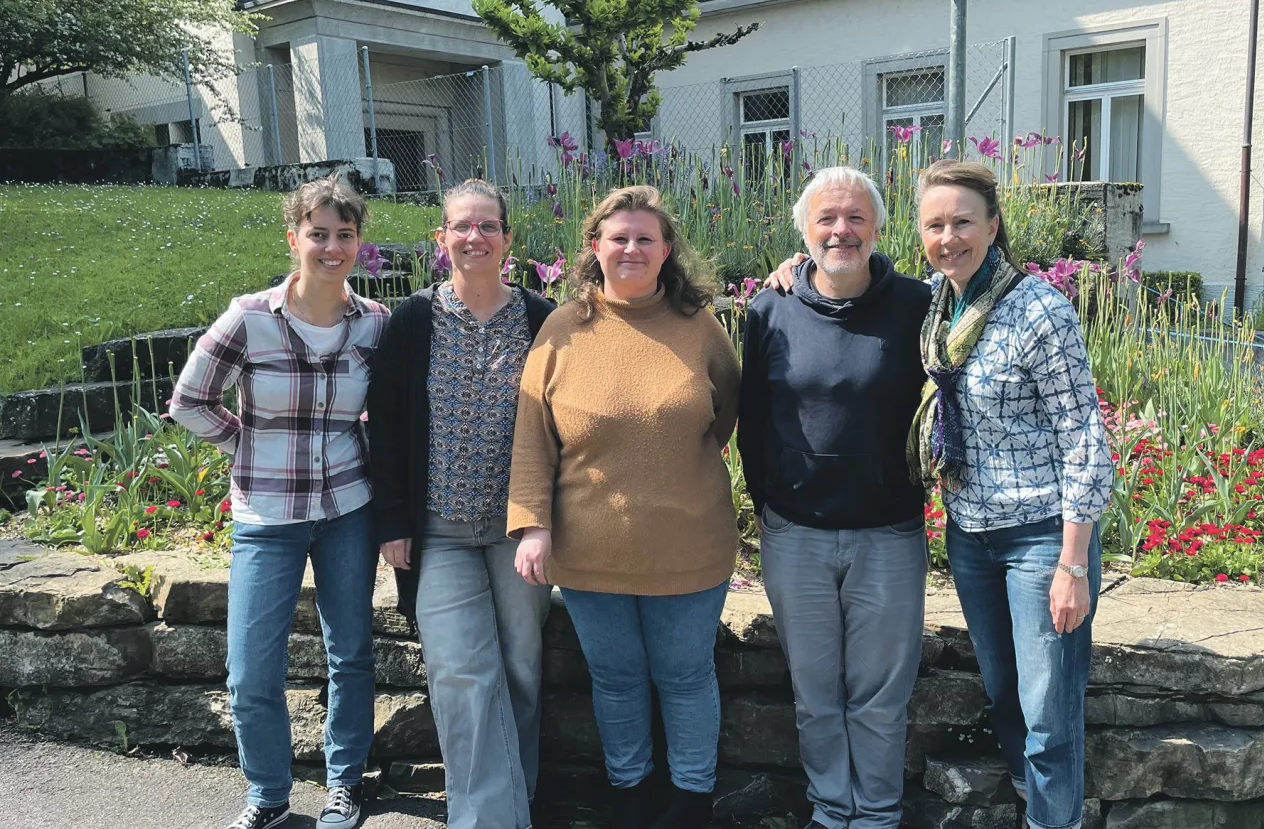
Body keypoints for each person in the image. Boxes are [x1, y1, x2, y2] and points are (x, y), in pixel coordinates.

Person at [506, 185, 741, 829]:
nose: (632, 248)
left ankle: (692, 798)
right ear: (595, 248)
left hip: (688, 545)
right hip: (588, 549)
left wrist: (667, 469)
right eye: (619, 238)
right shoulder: (562, 329)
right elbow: (533, 436)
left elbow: (726, 415)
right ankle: (628, 790)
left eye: (645, 238)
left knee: (685, 675)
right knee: (614, 679)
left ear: (667, 249)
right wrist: (533, 524)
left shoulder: (701, 328)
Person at [170, 177, 390, 829]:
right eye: (318, 233)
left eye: (344, 234)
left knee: (349, 653)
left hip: (349, 510)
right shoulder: (251, 318)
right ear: (294, 238)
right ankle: (268, 798)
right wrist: (243, 447)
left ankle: (344, 786)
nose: (331, 246)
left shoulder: (374, 324)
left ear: (358, 242)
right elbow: (189, 401)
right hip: (267, 518)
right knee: (249, 673)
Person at [910, 160, 1112, 829]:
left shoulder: (1038, 308)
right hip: (970, 535)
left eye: (963, 222)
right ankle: (1034, 808)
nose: (949, 237)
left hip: (1041, 538)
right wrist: (792, 270)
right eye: (935, 225)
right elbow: (851, 280)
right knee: (1005, 698)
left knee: (1049, 712)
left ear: (992, 226)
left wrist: (1073, 565)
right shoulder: (938, 303)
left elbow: (1083, 433)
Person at [736, 166, 932, 829]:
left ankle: (875, 817)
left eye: (854, 218)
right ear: (805, 231)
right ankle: (829, 811)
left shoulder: (916, 306)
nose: (840, 230)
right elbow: (752, 420)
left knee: (880, 698)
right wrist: (770, 506)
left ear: (878, 228)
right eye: (826, 218)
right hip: (797, 535)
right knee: (816, 695)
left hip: (890, 535)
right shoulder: (770, 308)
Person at [366, 179, 557, 829]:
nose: (474, 237)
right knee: (459, 674)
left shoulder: (542, 316)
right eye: (461, 226)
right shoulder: (413, 321)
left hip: (518, 531)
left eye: (487, 226)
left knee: (521, 671)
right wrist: (391, 522)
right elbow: (384, 428)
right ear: (441, 237)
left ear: (507, 238)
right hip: (438, 532)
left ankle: (516, 804)